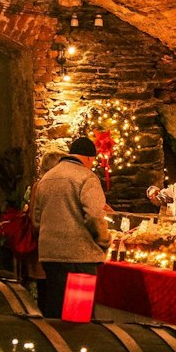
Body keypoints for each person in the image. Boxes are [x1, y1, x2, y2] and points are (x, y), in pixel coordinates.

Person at [30, 135, 112, 317]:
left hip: (50, 257)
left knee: (55, 313)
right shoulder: (87, 177)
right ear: (89, 158)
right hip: (79, 257)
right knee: (77, 316)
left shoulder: (47, 178)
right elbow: (94, 216)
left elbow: (37, 220)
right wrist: (104, 241)